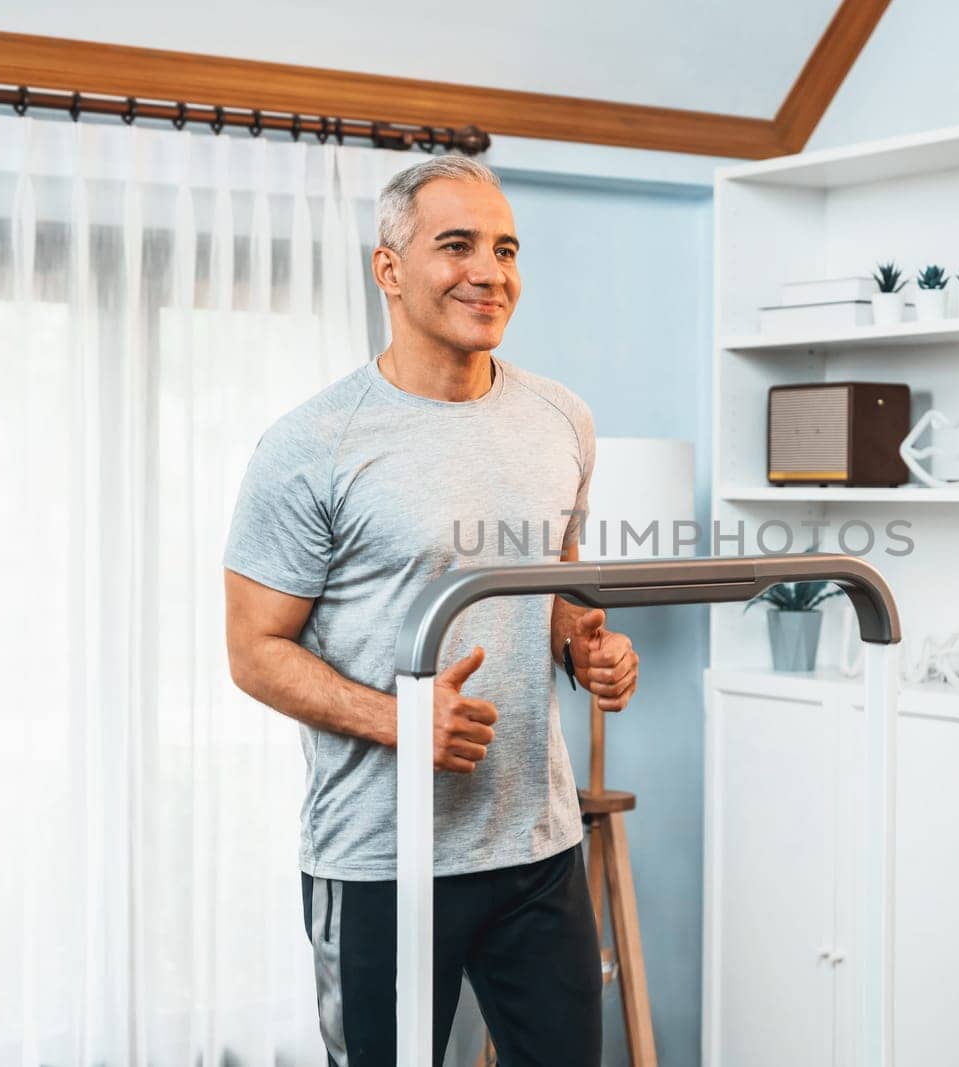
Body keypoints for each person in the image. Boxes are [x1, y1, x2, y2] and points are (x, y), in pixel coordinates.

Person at [222, 155, 640, 1066]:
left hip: (536, 840)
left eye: (506, 249)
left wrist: (585, 646)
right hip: (381, 855)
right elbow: (254, 650)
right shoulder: (309, 446)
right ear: (389, 269)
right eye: (457, 246)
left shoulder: (561, 418)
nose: (489, 271)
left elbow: (556, 584)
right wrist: (401, 717)